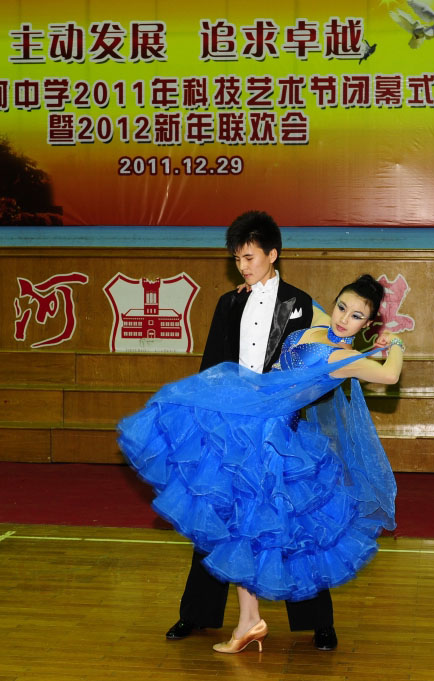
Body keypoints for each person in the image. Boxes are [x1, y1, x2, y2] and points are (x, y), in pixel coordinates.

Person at [118, 270, 404, 654]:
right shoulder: (320, 322)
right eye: (342, 306)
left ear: (367, 325)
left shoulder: (347, 358)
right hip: (249, 423)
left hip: (272, 441)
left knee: (251, 527)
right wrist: (255, 286)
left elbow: (390, 374)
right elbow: (297, 299)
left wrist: (395, 341)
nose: (343, 318)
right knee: (239, 524)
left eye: (356, 316)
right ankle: (248, 620)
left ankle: (252, 621)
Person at [151, 210, 340, 650]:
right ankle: (196, 614)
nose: (242, 266)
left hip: (281, 430)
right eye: (237, 259)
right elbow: (211, 367)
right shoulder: (229, 303)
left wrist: (283, 411)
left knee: (292, 521)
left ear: (273, 254)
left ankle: (318, 621)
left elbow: (314, 372)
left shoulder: (302, 304)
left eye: (249, 257)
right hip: (232, 430)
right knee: (217, 519)